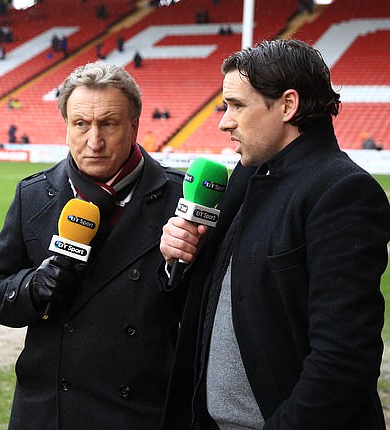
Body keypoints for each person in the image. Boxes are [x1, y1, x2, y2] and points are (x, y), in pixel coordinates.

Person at [160, 39, 390, 429]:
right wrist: (178, 258)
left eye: (237, 105)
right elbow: (204, 303)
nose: (224, 121)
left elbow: (343, 359)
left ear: (287, 105)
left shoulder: (343, 192)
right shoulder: (248, 174)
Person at [0, 61, 186, 429]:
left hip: (142, 412)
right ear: (66, 126)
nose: (94, 141)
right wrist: (33, 286)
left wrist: (180, 266)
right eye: (81, 124)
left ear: (134, 125)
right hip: (49, 412)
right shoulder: (33, 193)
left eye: (108, 123)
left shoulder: (180, 198)